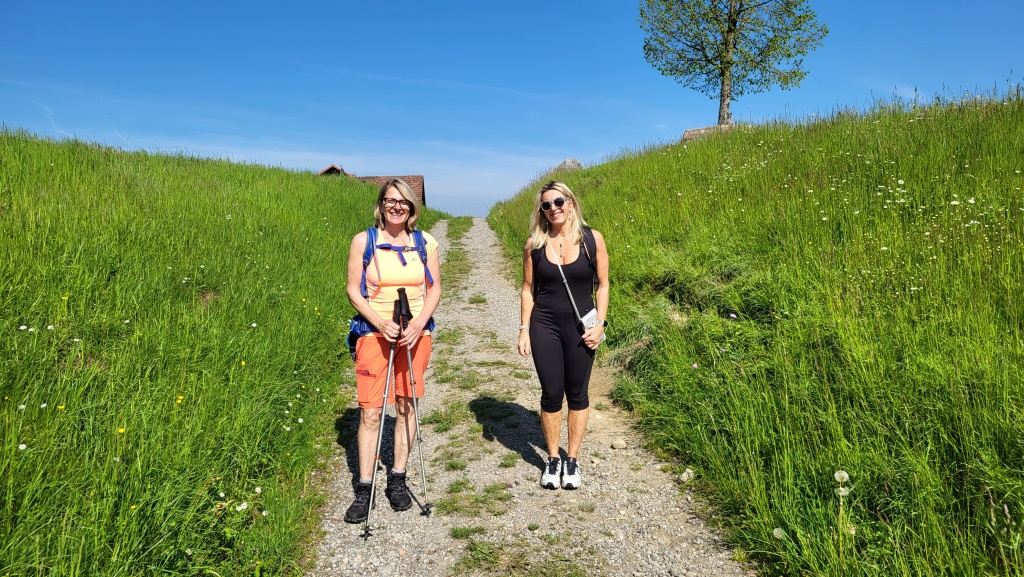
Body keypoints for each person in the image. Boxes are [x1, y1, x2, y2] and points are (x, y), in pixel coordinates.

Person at [343, 178, 441, 523]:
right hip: (374, 334)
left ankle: (397, 479)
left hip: (415, 335)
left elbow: (434, 288)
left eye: (403, 202)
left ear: (412, 207)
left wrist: (419, 323)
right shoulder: (364, 241)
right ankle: (364, 488)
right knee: (371, 413)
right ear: (381, 205)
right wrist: (380, 322)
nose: (397, 207)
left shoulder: (425, 243)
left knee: (406, 406)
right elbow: (353, 290)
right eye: (390, 201)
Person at [517, 180, 609, 490]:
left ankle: (572, 459)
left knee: (578, 393)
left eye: (559, 202)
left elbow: (603, 285)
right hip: (544, 325)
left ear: (570, 203)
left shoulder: (592, 240)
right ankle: (553, 458)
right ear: (541, 211)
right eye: (546, 205)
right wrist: (524, 329)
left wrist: (601, 324)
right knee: (552, 392)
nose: (553, 208)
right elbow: (528, 289)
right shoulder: (534, 244)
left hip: (582, 327)